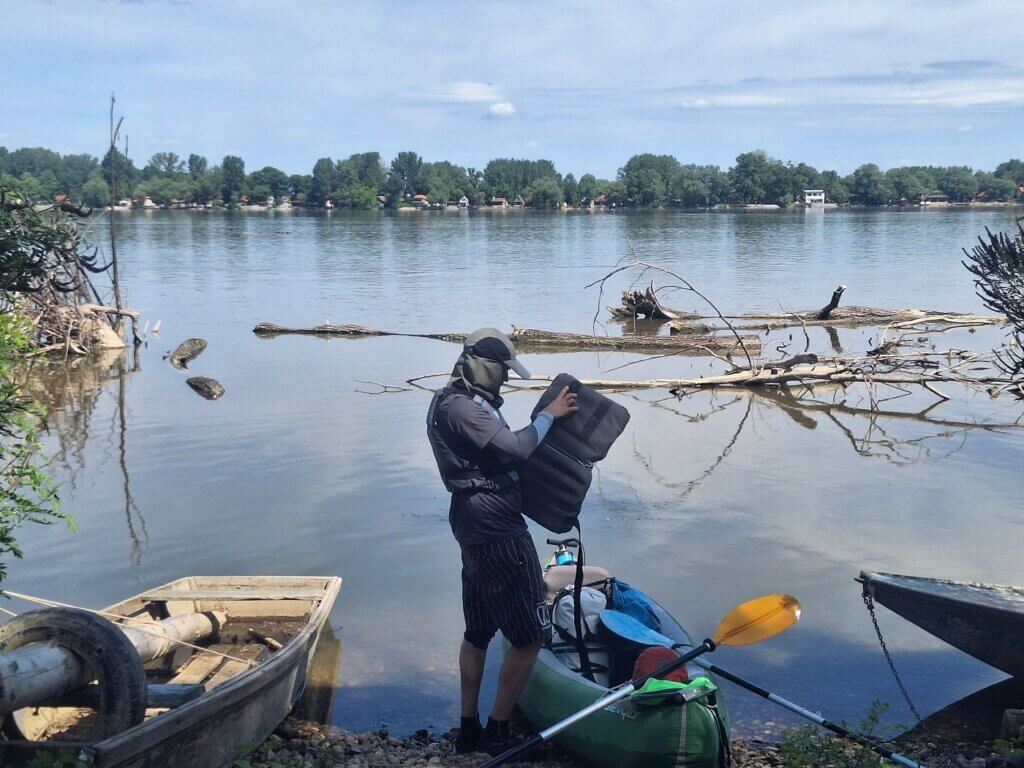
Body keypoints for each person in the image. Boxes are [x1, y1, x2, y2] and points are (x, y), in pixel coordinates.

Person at [426, 328, 578, 754]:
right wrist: (548, 414)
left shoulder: (452, 400)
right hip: (496, 529)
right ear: (484, 367)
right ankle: (498, 731)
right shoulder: (461, 409)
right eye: (503, 372)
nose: (507, 380)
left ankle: (468, 729)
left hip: (473, 524)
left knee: (477, 631)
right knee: (528, 636)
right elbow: (516, 448)